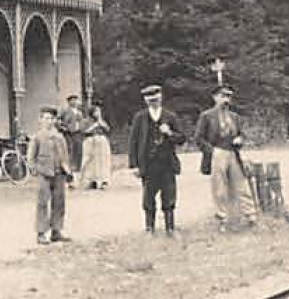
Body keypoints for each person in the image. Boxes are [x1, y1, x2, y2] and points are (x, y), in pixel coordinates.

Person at [196, 84, 258, 230]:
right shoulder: (206, 116)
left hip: (233, 154)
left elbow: (241, 134)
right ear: (215, 97)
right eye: (223, 96)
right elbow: (198, 139)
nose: (226, 100)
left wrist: (240, 139)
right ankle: (221, 220)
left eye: (229, 96)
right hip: (217, 154)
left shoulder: (234, 117)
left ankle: (251, 217)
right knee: (219, 189)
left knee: (242, 185)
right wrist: (212, 152)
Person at [127, 83, 185, 236]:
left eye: (156, 99)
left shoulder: (170, 116)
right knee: (148, 197)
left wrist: (170, 133)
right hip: (148, 164)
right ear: (146, 101)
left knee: (169, 196)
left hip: (167, 163)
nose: (154, 102)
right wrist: (134, 165)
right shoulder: (140, 118)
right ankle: (149, 228)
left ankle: (170, 228)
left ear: (161, 98)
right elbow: (133, 141)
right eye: (150, 100)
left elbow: (182, 139)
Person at [26, 106, 72, 245]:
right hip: (44, 173)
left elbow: (65, 155)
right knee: (42, 203)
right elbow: (31, 156)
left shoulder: (59, 137)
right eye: (46, 118)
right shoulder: (37, 137)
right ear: (40, 120)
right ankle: (41, 232)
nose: (49, 121)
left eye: (51, 118)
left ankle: (56, 230)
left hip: (59, 173)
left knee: (59, 203)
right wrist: (33, 168)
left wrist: (68, 172)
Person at [79, 103, 113, 189]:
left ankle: (103, 180)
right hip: (90, 141)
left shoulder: (101, 121)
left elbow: (107, 130)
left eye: (99, 111)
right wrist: (94, 126)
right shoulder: (85, 121)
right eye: (96, 111)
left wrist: (100, 122)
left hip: (101, 142)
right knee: (90, 161)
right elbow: (84, 131)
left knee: (102, 161)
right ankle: (90, 180)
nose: (98, 113)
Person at [57, 95, 88, 178]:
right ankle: (68, 169)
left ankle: (76, 169)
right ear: (69, 102)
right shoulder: (65, 111)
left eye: (76, 100)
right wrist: (63, 128)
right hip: (68, 133)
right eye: (72, 100)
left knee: (78, 150)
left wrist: (82, 128)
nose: (74, 102)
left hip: (78, 133)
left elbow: (82, 122)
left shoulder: (79, 112)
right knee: (69, 150)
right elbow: (58, 120)